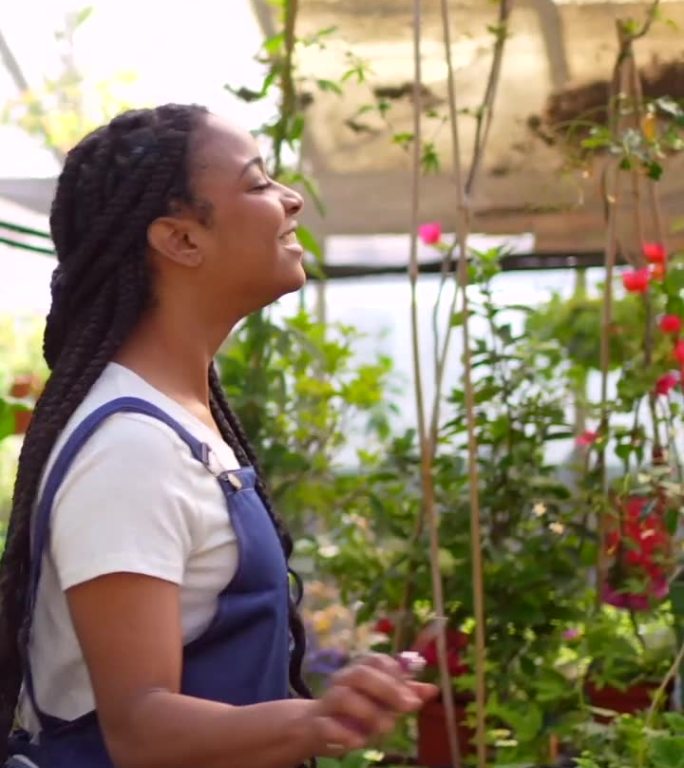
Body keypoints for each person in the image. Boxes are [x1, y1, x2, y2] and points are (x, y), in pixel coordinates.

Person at [0, 104, 436, 768]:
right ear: (181, 240)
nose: (291, 200)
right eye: (259, 184)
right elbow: (140, 727)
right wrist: (316, 718)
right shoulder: (130, 451)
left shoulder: (177, 421)